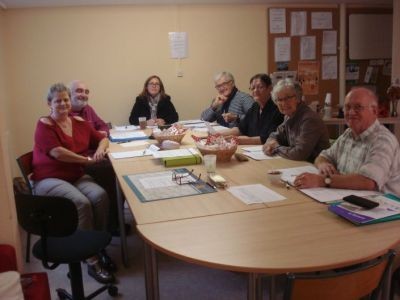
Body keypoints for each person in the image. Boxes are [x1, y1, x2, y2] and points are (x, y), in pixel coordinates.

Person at [31, 83, 115, 284]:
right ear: (49, 104)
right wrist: (86, 160)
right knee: (81, 202)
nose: (63, 104)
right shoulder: (44, 124)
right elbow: (58, 153)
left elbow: (103, 138)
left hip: (75, 176)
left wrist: (100, 150)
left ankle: (97, 245)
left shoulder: (79, 121)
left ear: (70, 102)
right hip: (49, 178)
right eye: (57, 100)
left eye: (66, 100)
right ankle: (91, 260)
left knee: (100, 196)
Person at [293, 87, 400, 196]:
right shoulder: (348, 134)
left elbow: (368, 181)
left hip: (382, 207)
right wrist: (323, 164)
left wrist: (322, 180)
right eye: (347, 107)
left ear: (374, 111)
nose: (351, 112)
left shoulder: (383, 140)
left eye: (358, 107)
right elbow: (323, 156)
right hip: (347, 199)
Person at [69, 80, 121, 238]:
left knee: (117, 169)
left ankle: (114, 219)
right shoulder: (67, 116)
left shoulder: (88, 109)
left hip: (95, 153)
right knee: (114, 173)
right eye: (78, 91)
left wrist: (101, 139)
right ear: (69, 95)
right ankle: (111, 224)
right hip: (81, 161)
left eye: (86, 91)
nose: (83, 94)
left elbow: (103, 127)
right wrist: (99, 140)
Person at [263, 78, 330, 162]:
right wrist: (270, 143)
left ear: (298, 98)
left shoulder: (309, 119)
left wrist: (276, 147)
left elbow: (299, 154)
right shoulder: (288, 116)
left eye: (287, 98)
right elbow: (275, 135)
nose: (283, 103)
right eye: (279, 100)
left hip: (315, 168)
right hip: (298, 166)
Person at [219, 73, 283, 144]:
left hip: (267, 149)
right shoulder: (255, 106)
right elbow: (241, 129)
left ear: (270, 88)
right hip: (251, 148)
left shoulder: (278, 108)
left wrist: (243, 140)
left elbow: (270, 137)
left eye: (260, 87)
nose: (255, 90)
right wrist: (218, 134)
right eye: (253, 88)